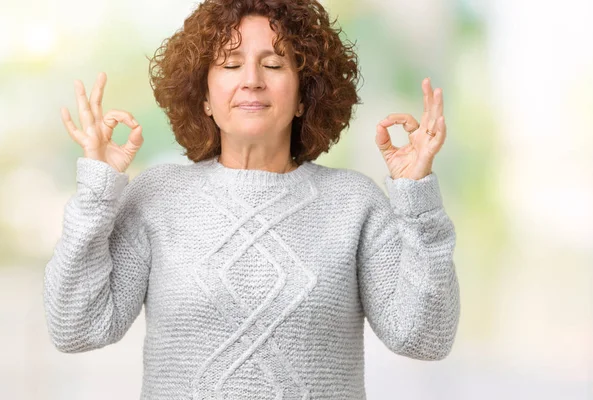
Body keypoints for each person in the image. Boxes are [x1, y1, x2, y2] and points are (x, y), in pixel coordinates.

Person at [43, 0, 460, 399]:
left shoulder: (355, 204)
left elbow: (425, 337)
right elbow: (78, 326)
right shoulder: (156, 197)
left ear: (303, 96)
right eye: (230, 64)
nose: (252, 80)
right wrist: (98, 190)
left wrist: (416, 196)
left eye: (274, 64)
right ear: (203, 96)